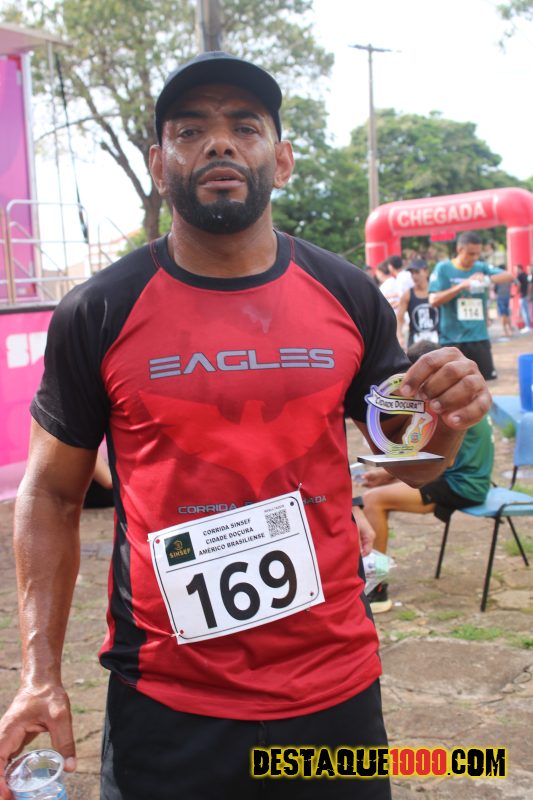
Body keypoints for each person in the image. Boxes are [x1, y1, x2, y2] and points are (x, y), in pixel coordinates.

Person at [0, 51, 492, 800]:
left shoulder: (348, 294)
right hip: (167, 704)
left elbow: (406, 463)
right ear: (159, 164)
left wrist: (449, 421)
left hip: (332, 690)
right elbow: (51, 494)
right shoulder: (98, 310)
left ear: (281, 160)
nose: (219, 143)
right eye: (190, 130)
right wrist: (39, 673)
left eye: (245, 127)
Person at [361, 341, 494, 613]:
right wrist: (386, 476)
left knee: (373, 501)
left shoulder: (443, 406)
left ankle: (377, 589)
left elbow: (439, 463)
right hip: (473, 479)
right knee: (374, 494)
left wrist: (387, 476)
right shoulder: (463, 394)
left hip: (461, 486)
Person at [428, 231, 513, 380]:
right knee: (452, 383)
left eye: (477, 254)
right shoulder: (443, 268)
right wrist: (461, 286)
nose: (474, 258)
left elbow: (509, 276)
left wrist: (486, 279)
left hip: (479, 336)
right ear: (459, 249)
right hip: (452, 339)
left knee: (483, 382)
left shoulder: (480, 267)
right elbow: (433, 300)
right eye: (471, 254)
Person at [396, 258, 439, 349]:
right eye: (412, 273)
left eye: (417, 272)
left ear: (426, 272)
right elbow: (399, 318)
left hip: (438, 340)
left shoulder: (437, 291)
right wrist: (400, 336)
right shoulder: (408, 294)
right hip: (416, 343)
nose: (414, 276)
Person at [515, 264, 532, 333]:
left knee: (525, 311)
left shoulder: (520, 276)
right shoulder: (527, 275)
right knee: (527, 311)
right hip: (526, 295)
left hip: (524, 295)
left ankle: (528, 326)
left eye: (516, 269)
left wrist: (516, 293)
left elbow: (520, 285)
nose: (515, 270)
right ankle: (528, 326)